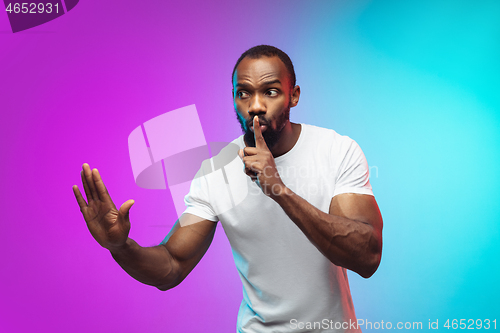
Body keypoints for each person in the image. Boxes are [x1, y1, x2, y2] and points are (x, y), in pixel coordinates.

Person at [73, 45, 383, 332]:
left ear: (294, 95)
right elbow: (172, 265)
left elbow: (367, 256)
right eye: (244, 94)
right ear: (234, 99)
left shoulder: (336, 150)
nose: (256, 106)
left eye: (271, 92)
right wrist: (120, 247)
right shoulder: (214, 173)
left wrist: (279, 190)